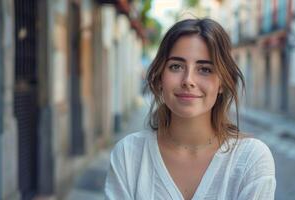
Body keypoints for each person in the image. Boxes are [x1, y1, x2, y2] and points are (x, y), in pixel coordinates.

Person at [105, 18, 276, 200]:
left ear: (222, 83)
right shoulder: (129, 155)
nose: (188, 80)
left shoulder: (251, 160)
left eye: (205, 69)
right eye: (176, 66)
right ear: (161, 77)